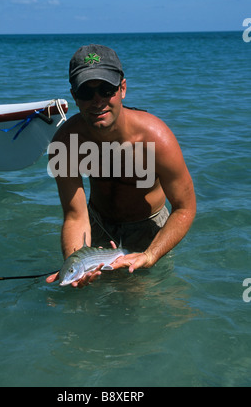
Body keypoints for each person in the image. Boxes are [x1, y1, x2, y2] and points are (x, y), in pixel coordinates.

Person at [46, 44, 196, 288]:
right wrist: (74, 263)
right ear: (74, 96)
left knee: (141, 300)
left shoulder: (156, 138)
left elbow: (184, 207)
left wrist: (150, 254)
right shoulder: (65, 143)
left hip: (148, 228)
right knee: (88, 300)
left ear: (122, 89)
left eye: (106, 90)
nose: (97, 101)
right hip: (97, 223)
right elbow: (75, 215)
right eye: (86, 92)